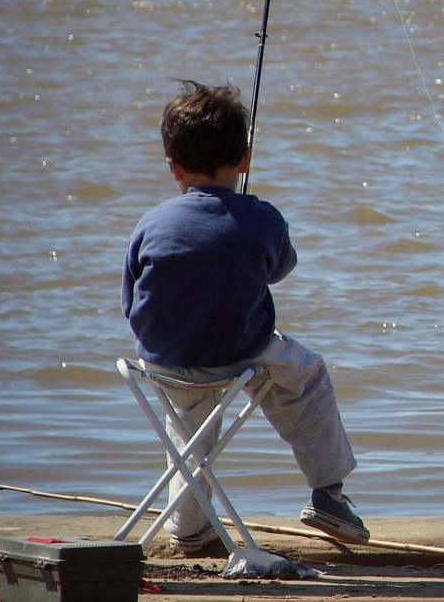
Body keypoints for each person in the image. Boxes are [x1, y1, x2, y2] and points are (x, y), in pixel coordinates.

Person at [121, 80, 369, 551]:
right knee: (306, 375)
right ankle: (328, 492)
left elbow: (130, 299)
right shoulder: (262, 217)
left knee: (187, 430)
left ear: (172, 167)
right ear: (245, 160)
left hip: (163, 360)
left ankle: (190, 527)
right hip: (241, 352)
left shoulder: (151, 222)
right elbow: (280, 268)